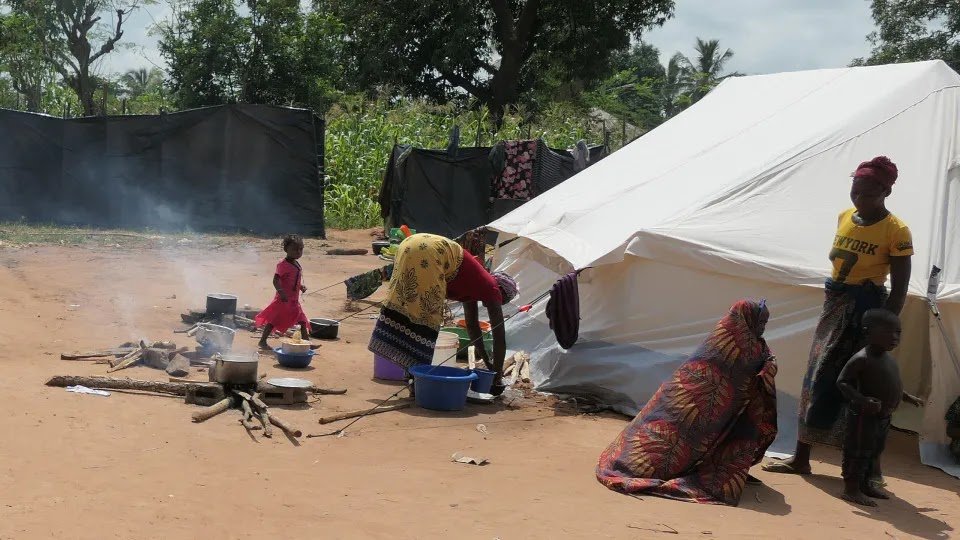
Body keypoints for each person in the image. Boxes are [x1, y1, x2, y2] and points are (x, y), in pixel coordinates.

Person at [764, 156, 913, 487]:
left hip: (866, 311)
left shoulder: (896, 230)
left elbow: (900, 288)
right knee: (817, 378)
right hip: (834, 307)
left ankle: (871, 472)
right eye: (856, 187)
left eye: (869, 189)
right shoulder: (845, 217)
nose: (860, 194)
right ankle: (801, 458)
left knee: (866, 385)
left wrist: (883, 328)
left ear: (886, 190)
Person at [595, 299, 778, 506]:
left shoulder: (736, 340)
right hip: (694, 408)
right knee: (670, 442)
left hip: (706, 410)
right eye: (761, 322)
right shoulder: (741, 346)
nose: (763, 327)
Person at [367, 233, 518, 393]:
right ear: (501, 292)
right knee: (427, 319)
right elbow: (499, 337)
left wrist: (488, 365)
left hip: (410, 244)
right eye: (501, 302)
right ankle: (417, 382)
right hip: (431, 253)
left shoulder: (477, 281)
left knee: (407, 307)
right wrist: (497, 376)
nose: (496, 304)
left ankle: (411, 375)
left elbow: (473, 327)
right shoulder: (492, 288)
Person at [836, 309, 922, 506]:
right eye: (888, 332)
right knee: (858, 450)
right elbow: (842, 382)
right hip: (863, 416)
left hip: (883, 417)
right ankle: (851, 488)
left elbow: (891, 384)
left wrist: (907, 397)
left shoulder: (888, 359)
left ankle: (865, 484)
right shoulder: (862, 358)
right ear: (868, 332)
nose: (894, 337)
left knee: (874, 450)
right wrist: (862, 400)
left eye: (898, 332)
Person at [255, 234, 311, 349]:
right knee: (273, 320)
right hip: (283, 300)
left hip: (294, 300)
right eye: (295, 249)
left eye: (301, 249)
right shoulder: (283, 264)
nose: (298, 252)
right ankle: (262, 341)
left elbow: (292, 280)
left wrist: (300, 286)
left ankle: (307, 344)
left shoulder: (296, 263)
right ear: (286, 250)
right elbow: (276, 280)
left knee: (302, 320)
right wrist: (281, 292)